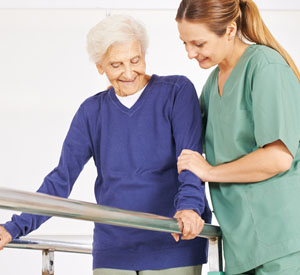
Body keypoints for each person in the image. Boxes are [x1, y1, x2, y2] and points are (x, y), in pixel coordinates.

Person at [0, 15, 211, 275]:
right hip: (114, 248)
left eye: (135, 60)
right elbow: (61, 179)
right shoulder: (91, 112)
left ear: (144, 53)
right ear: (100, 66)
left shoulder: (176, 91)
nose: (128, 72)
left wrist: (189, 208)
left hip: (172, 241)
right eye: (116, 64)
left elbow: (190, 160)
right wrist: (14, 227)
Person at [175, 0, 300, 274]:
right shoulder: (212, 84)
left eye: (198, 43)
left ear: (230, 30)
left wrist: (210, 172)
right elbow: (186, 142)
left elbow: (278, 158)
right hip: (242, 243)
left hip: (282, 240)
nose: (189, 53)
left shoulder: (265, 66)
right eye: (184, 43)